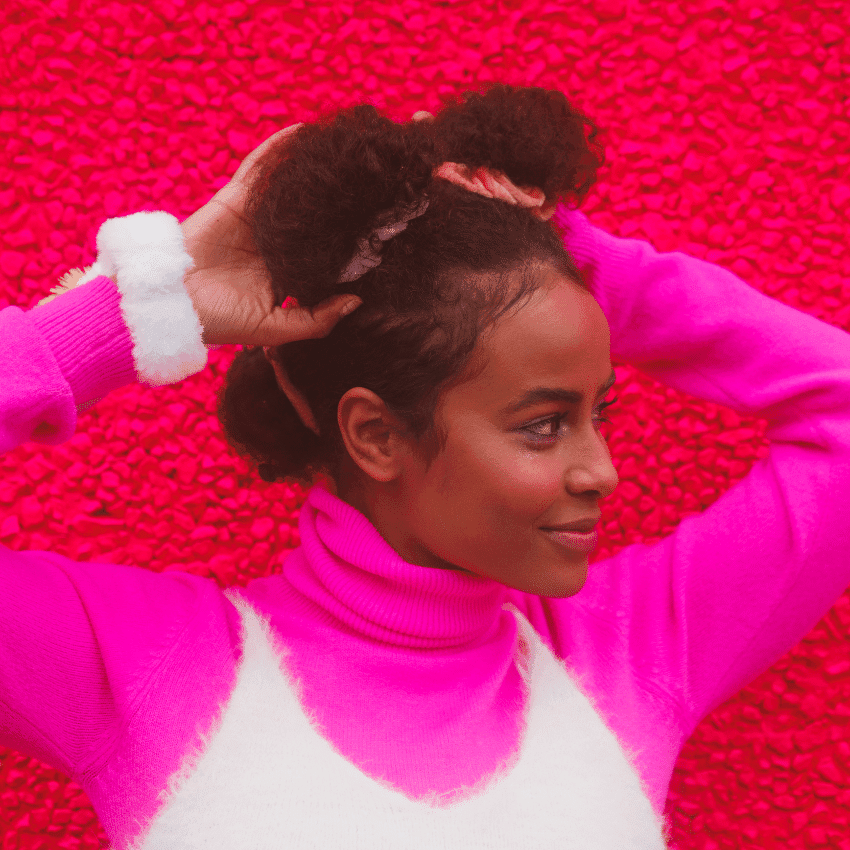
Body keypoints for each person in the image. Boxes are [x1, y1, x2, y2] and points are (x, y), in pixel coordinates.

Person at [1, 83, 848, 849]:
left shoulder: (635, 649)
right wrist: (135, 312)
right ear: (374, 435)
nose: (604, 472)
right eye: (545, 424)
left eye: (601, 413)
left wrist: (567, 263)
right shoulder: (140, 664)